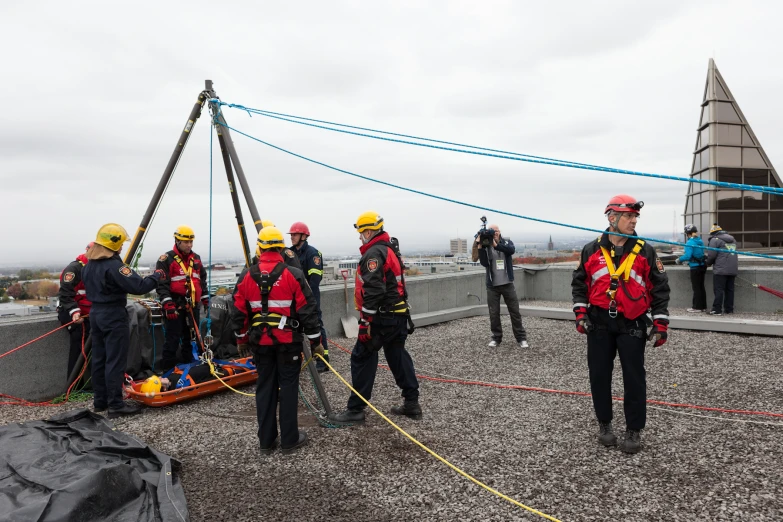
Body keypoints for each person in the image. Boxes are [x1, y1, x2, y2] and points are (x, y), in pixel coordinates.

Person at [572, 195, 670, 454]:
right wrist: (580, 314)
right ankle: (605, 424)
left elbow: (660, 288)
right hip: (599, 323)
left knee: (635, 378)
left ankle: (633, 429)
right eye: (629, 216)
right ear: (612, 218)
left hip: (632, 323)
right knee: (599, 376)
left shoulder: (645, 250)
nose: (634, 221)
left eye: (636, 216)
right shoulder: (591, 249)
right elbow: (579, 283)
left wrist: (661, 324)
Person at [230, 227, 324, 455]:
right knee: (289, 387)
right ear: (281, 248)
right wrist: (316, 342)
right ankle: (290, 439)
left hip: (259, 343)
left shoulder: (246, 275)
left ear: (260, 248)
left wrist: (241, 340)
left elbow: (238, 312)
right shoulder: (293, 274)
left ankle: (266, 440)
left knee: (265, 388)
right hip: (288, 342)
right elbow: (308, 311)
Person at [329, 211, 421, 424]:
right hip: (397, 315)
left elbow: (374, 290)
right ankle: (412, 403)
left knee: (362, 357)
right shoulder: (389, 249)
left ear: (368, 231)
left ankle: (356, 409)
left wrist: (365, 322)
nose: (360, 237)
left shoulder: (373, 254)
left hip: (382, 318)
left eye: (361, 233)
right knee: (397, 356)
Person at [81, 223, 163, 418]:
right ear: (115, 245)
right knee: (115, 361)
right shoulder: (115, 267)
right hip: (113, 315)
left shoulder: (88, 266)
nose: (122, 248)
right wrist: (157, 276)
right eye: (121, 245)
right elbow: (139, 286)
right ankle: (116, 405)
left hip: (96, 314)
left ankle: (100, 401)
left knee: (99, 359)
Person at [156, 225, 209, 370]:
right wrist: (168, 304)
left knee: (192, 338)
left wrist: (205, 297)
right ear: (177, 241)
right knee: (172, 339)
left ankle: (190, 367)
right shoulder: (166, 260)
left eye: (191, 242)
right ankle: (168, 371)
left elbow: (201, 280)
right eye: (186, 242)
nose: (189, 245)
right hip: (175, 306)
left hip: (192, 306)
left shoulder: (196, 259)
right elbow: (162, 285)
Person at [472, 223, 528, 348]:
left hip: (507, 283)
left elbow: (511, 250)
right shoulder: (486, 245)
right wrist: (480, 246)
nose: (495, 233)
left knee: (514, 311)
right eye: (492, 231)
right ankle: (496, 338)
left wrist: (496, 245)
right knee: (494, 313)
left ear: (500, 232)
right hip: (492, 285)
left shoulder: (507, 242)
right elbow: (484, 263)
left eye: (496, 230)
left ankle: (521, 338)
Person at [288, 221, 330, 373]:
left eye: (295, 234)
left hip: (310, 296)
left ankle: (323, 360)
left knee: (316, 324)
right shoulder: (290, 253)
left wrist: (308, 298)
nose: (292, 237)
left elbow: (314, 280)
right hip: (294, 297)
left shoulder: (312, 253)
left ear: (304, 236)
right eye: (291, 234)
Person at [57, 243, 93, 378]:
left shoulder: (95, 267)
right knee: (79, 344)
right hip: (71, 312)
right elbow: (65, 294)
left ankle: (93, 384)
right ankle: (73, 387)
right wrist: (74, 311)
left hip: (88, 313)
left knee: (92, 347)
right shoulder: (74, 269)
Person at [706, 223, 738, 316]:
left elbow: (711, 255)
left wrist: (708, 263)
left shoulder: (714, 239)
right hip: (733, 269)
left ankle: (717, 310)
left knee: (718, 289)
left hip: (721, 269)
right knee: (730, 290)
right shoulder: (733, 240)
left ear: (713, 233)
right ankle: (729, 309)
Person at [675, 224, 707, 312]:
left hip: (695, 267)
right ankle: (703, 307)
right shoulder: (700, 241)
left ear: (687, 233)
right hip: (702, 266)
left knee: (696, 288)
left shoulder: (690, 243)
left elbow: (688, 256)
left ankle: (696, 307)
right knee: (701, 287)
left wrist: (679, 260)